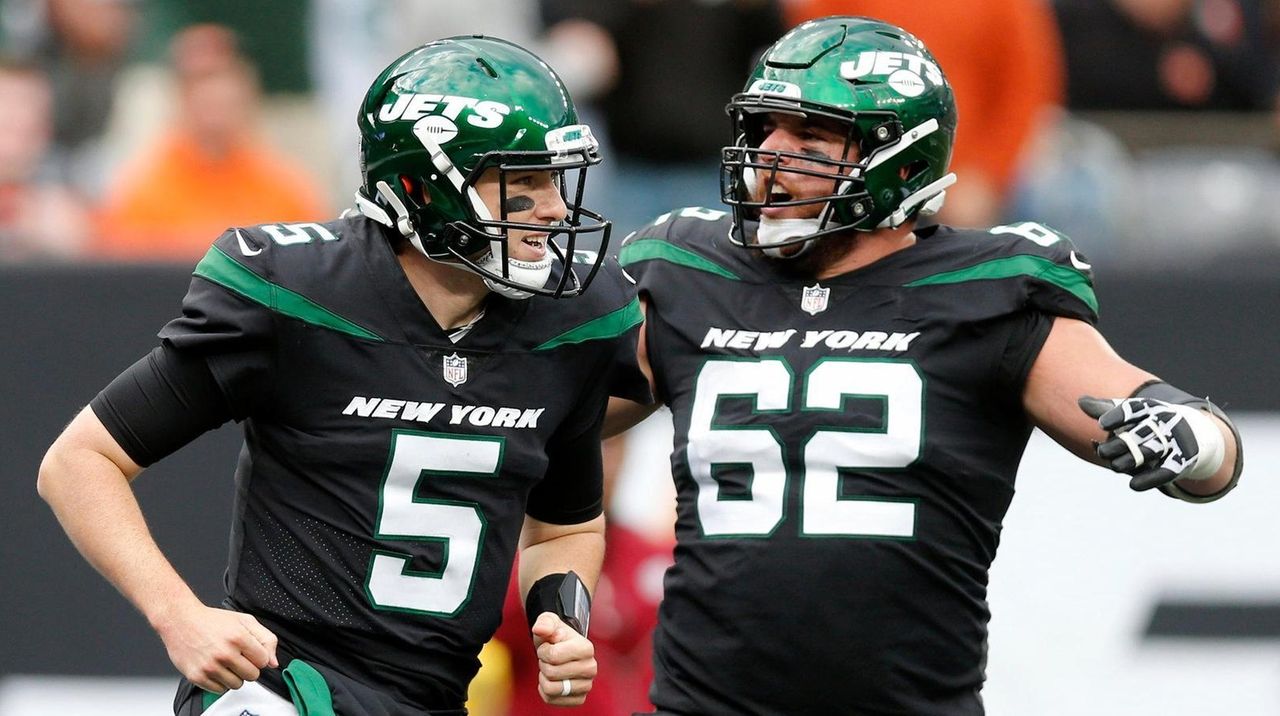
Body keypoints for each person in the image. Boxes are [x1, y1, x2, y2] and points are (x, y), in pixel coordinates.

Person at [606, 16, 1245, 715]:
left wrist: (1198, 441)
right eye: (764, 131)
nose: (771, 157)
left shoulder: (986, 288)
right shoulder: (687, 272)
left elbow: (1170, 424)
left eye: (810, 138)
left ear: (902, 162)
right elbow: (548, 410)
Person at [38, 35, 649, 715]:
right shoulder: (297, 292)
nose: (556, 210)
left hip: (432, 696)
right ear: (425, 188)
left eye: (553, 180)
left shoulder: (570, 323)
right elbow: (79, 461)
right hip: (284, 683)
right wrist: (177, 615)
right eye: (522, 183)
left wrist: (563, 617)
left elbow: (565, 527)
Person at [94, 24, 330, 262]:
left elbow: (316, 268)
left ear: (247, 89)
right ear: (180, 94)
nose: (214, 93)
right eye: (199, 81)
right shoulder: (141, 192)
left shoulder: (286, 189)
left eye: (224, 78)